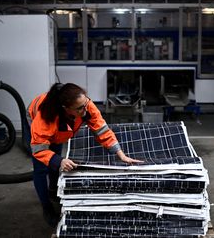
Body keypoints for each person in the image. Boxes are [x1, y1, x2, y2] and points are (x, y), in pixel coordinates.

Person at [26, 83, 142, 227]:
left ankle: (53, 189)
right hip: (35, 118)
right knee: (42, 168)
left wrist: (120, 154)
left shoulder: (85, 105)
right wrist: (59, 160)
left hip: (58, 130)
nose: (85, 109)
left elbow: (102, 129)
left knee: (56, 158)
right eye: (80, 108)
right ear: (66, 109)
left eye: (85, 103)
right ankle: (46, 206)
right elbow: (39, 149)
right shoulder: (45, 118)